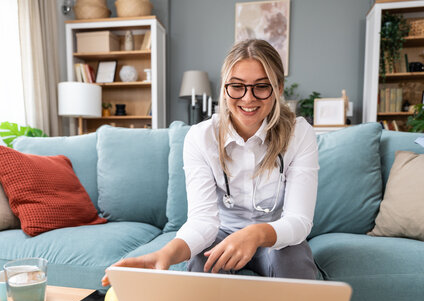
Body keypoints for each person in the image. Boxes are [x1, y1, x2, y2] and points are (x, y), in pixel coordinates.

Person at [102, 39, 318, 287]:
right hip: (221, 235)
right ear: (224, 88)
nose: (248, 98)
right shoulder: (200, 137)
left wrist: (255, 234)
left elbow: (299, 221)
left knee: (293, 257)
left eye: (261, 86)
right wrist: (166, 254)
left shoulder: (299, 134)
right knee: (199, 262)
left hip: (274, 237)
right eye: (237, 86)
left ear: (278, 89)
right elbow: (202, 221)